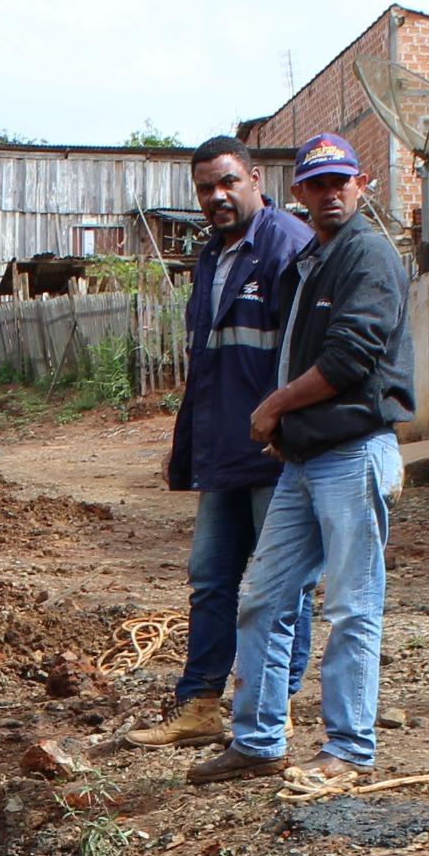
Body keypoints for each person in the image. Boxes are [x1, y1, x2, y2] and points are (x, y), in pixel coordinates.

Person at [187, 132, 416, 795]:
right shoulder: (312, 259)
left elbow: (350, 358)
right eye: (317, 184)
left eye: (340, 181)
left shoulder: (368, 256)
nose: (330, 193)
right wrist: (287, 425)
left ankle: (349, 748)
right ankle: (259, 742)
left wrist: (274, 407)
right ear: (300, 192)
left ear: (361, 184)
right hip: (306, 457)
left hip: (354, 451)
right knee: (263, 595)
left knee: (352, 605)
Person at [125, 138, 316, 750]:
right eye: (206, 187)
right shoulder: (211, 256)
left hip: (273, 450)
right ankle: (201, 705)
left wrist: (288, 427)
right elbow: (207, 363)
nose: (217, 196)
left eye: (228, 182)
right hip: (222, 450)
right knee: (210, 578)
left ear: (256, 179)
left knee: (279, 586)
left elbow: (306, 351)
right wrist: (190, 442)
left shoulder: (287, 246)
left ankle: (275, 703)